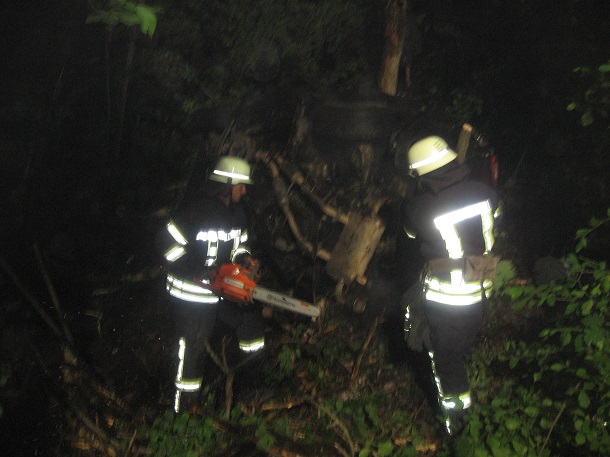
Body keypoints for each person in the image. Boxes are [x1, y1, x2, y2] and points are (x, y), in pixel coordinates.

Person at [397, 135, 498, 434]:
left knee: (446, 360)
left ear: (421, 173)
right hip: (481, 289)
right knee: (460, 346)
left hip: (447, 298)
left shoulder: (421, 208)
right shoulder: (485, 192)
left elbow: (411, 235)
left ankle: (460, 425)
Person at [158, 155, 265, 413]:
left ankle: (250, 391)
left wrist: (244, 258)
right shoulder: (193, 212)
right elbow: (167, 248)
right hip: (190, 294)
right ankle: (184, 410)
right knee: (194, 349)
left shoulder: (238, 213)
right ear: (226, 184)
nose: (245, 190)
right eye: (241, 185)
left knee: (251, 324)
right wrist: (195, 271)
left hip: (222, 290)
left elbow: (240, 243)